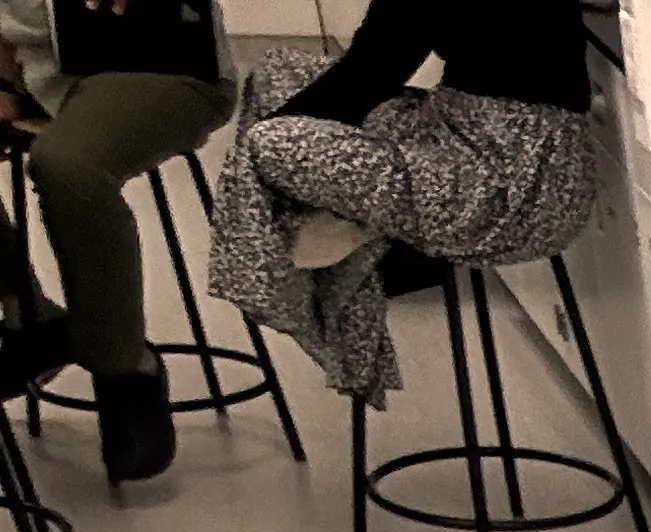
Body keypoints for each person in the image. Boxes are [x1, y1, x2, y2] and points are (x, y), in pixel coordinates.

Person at [205, 0, 600, 411]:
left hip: (500, 191)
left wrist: (264, 158)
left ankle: (315, 265)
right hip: (518, 155)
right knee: (277, 76)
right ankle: (345, 227)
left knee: (267, 144)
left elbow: (371, 71)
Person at [0, 0, 236, 484]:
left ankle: (125, 367)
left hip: (154, 64)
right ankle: (27, 312)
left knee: (68, 165)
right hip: (29, 73)